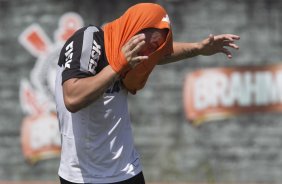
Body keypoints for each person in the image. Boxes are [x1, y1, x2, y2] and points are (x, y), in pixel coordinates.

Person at [55, 3, 240, 184]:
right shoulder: (89, 40)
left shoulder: (131, 52)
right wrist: (117, 67)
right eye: (150, 45)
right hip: (81, 176)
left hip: (126, 171)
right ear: (134, 28)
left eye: (156, 48)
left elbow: (163, 54)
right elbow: (72, 98)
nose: (151, 54)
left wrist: (198, 48)